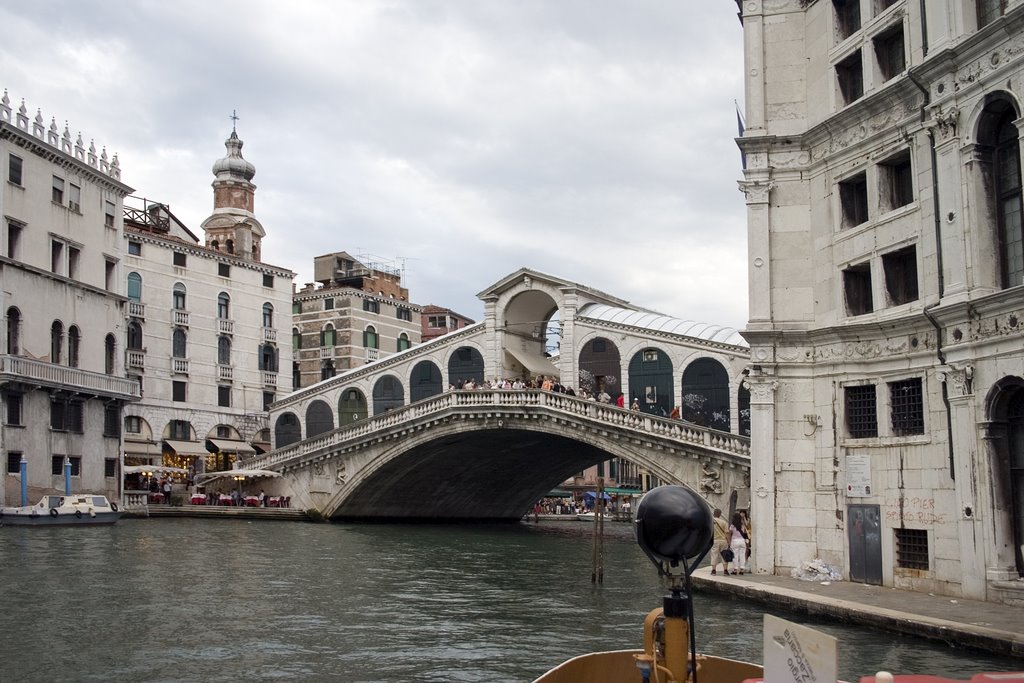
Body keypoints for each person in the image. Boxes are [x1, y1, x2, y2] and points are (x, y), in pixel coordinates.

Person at [710, 508, 729, 575]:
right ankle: (725, 570)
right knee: (724, 555)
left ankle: (713, 570)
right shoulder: (724, 522)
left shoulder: (711, 522)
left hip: (715, 540)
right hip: (723, 540)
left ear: (714, 514)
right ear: (720, 514)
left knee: (714, 555)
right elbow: (727, 532)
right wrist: (728, 541)